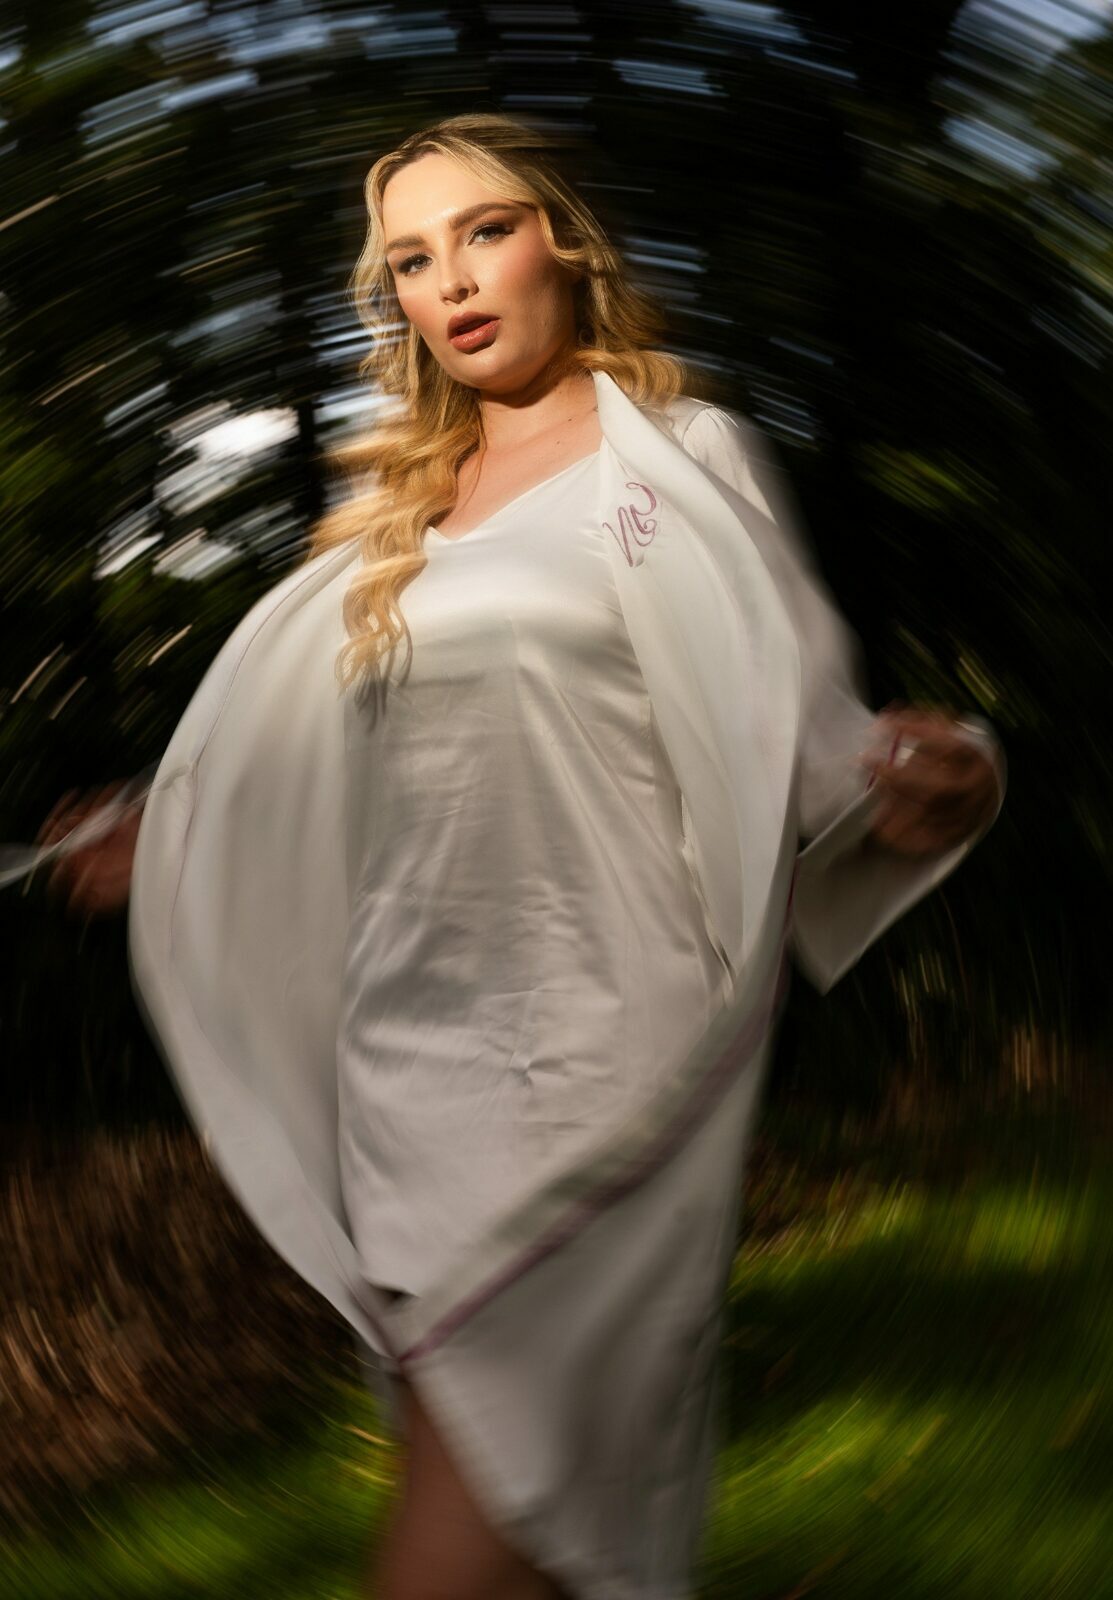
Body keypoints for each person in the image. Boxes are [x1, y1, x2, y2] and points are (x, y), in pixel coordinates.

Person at [33, 113, 1004, 1600]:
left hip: (603, 1042)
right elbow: (326, 777)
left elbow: (796, 723)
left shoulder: (675, 459)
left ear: (564, 244)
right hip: (402, 1055)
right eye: (411, 260)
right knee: (530, 1530)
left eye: (484, 231)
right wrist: (165, 833)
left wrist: (925, 780)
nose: (453, 280)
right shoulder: (386, 523)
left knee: (478, 1520)